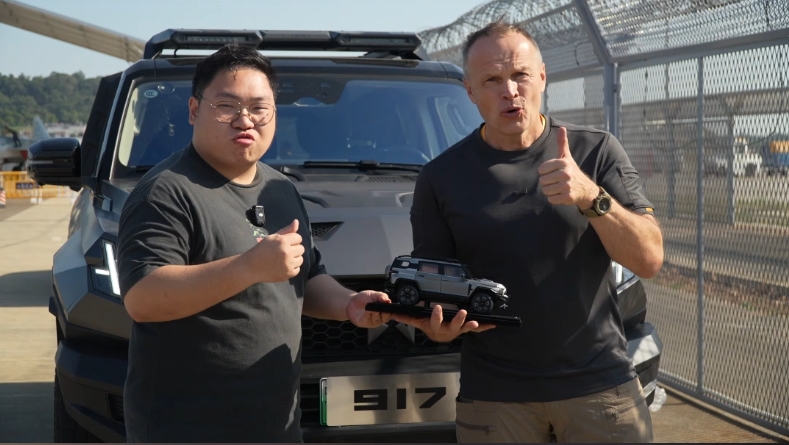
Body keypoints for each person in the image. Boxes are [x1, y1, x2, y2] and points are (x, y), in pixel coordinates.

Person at [392, 21, 664, 443]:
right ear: (470, 92)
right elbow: (436, 291)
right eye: (492, 80)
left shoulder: (594, 151)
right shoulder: (441, 178)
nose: (510, 90)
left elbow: (648, 259)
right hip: (496, 399)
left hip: (598, 389)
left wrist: (591, 197)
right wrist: (437, 326)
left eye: (520, 74)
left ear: (542, 77)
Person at [117, 44, 393, 443]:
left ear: (274, 114)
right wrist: (248, 267)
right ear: (194, 110)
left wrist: (349, 305)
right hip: (187, 429)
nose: (244, 119)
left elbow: (306, 274)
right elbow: (143, 298)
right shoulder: (166, 191)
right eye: (227, 106)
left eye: (259, 107)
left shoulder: (280, 189)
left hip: (274, 424)